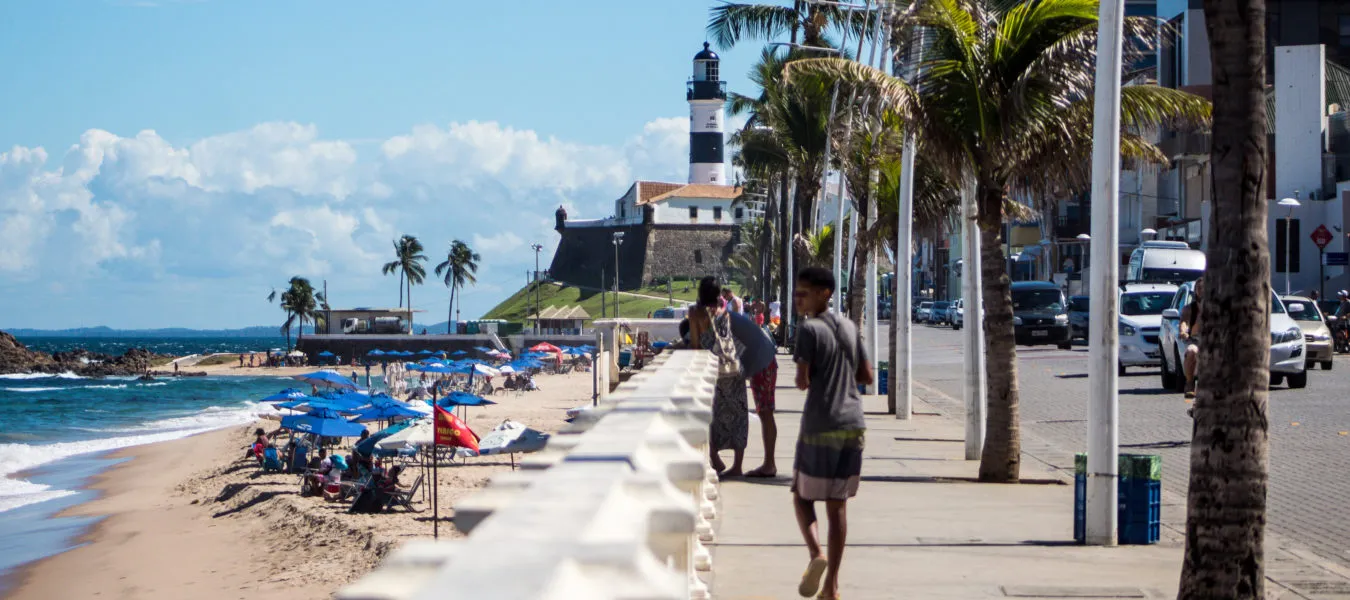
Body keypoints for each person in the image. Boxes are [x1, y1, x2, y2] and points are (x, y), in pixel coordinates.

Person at [791, 266, 872, 600]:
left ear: (824, 293)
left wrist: (817, 376)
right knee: (837, 508)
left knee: (801, 495)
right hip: (853, 424)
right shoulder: (850, 327)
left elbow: (802, 381)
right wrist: (843, 374)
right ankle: (832, 587)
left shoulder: (808, 330)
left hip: (820, 424)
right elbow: (867, 375)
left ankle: (816, 554)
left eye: (804, 293)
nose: (798, 299)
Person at [688, 277, 749, 478]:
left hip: (713, 370)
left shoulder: (696, 313)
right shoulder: (724, 311)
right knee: (738, 416)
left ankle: (715, 459)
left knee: (710, 416)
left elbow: (695, 345)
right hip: (733, 367)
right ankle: (738, 465)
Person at [728, 308, 779, 478]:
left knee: (765, 412)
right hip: (765, 358)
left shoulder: (721, 320)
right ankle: (769, 463)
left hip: (761, 363)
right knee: (765, 412)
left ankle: (770, 464)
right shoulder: (728, 316)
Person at [1180, 278, 1204, 399]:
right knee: (1191, 351)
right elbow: (1184, 321)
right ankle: (1190, 383)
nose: (1201, 290)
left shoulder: (1216, 307)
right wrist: (1183, 331)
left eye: (1204, 288)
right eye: (1199, 288)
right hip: (1196, 341)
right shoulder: (1189, 308)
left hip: (1214, 342)